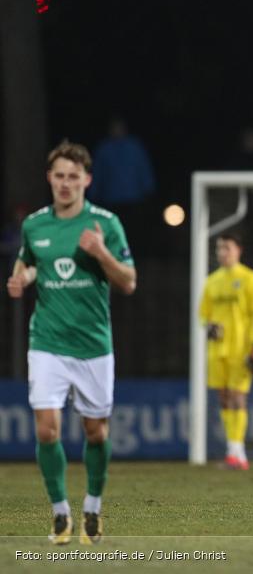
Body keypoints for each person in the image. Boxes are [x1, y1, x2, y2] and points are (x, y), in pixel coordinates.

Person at [6, 140, 137, 545]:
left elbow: (129, 282)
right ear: (50, 178)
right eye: (59, 176)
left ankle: (92, 507)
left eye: (73, 177)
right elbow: (29, 260)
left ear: (87, 180)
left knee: (95, 432)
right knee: (47, 430)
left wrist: (100, 252)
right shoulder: (35, 225)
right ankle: (60, 513)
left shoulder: (106, 224)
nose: (65, 184)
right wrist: (22, 277)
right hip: (47, 340)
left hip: (93, 344)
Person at [199, 233, 253, 470]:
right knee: (224, 397)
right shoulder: (212, 281)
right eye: (219, 248)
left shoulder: (250, 278)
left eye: (227, 248)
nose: (222, 252)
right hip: (217, 349)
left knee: (238, 396)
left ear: (238, 250)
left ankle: (238, 453)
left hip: (241, 348)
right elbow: (203, 314)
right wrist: (209, 326)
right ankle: (233, 450)